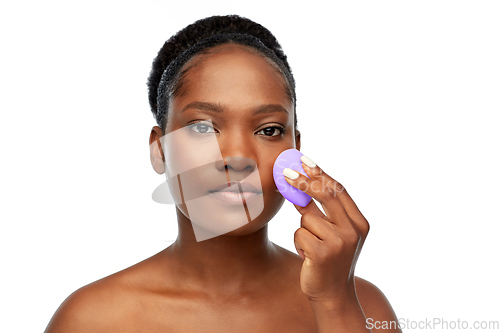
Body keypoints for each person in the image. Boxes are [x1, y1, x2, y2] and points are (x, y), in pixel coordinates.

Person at [45, 15, 401, 332]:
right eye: (202, 127)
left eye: (269, 130)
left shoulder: (363, 308)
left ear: (296, 150)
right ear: (159, 149)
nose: (237, 157)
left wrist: (334, 305)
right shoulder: (90, 320)